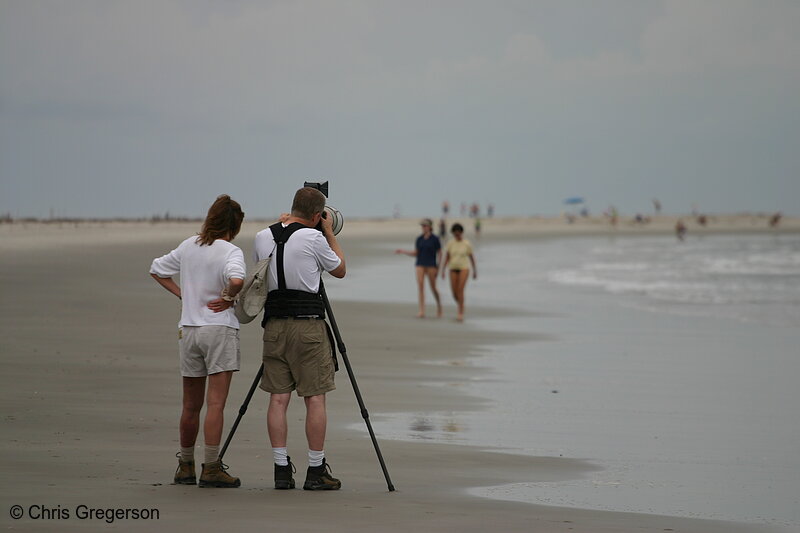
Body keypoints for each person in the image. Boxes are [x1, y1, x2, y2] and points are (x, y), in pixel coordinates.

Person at [253, 187, 346, 491]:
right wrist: (329, 232)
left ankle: (281, 470)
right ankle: (316, 469)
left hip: (274, 325)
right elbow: (339, 269)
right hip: (308, 327)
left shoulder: (262, 236)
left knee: (278, 398)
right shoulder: (316, 237)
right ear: (318, 216)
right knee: (314, 397)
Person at [149, 194, 246, 488]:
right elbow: (238, 280)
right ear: (234, 225)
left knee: (190, 405)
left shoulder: (189, 246)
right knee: (215, 403)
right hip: (218, 330)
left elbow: (157, 269)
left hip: (189, 329)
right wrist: (228, 298)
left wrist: (183, 295)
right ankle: (212, 467)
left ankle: (185, 465)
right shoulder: (231, 251)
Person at [395, 218, 442, 318]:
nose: (423, 228)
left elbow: (440, 252)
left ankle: (439, 306)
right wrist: (403, 251)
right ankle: (421, 311)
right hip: (420, 264)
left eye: (425, 226)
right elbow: (416, 253)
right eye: (422, 226)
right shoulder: (419, 239)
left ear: (430, 227)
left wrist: (438, 266)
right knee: (420, 287)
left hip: (431, 265)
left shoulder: (435, 239)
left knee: (433, 288)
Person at [441, 223, 477, 322]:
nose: (457, 235)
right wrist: (443, 270)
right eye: (455, 233)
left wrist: (475, 271)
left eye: (458, 233)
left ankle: (460, 312)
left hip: (464, 268)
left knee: (460, 290)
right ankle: (461, 304)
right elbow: (447, 256)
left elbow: (471, 257)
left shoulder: (466, 243)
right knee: (454, 292)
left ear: (461, 233)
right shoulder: (450, 243)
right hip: (452, 268)